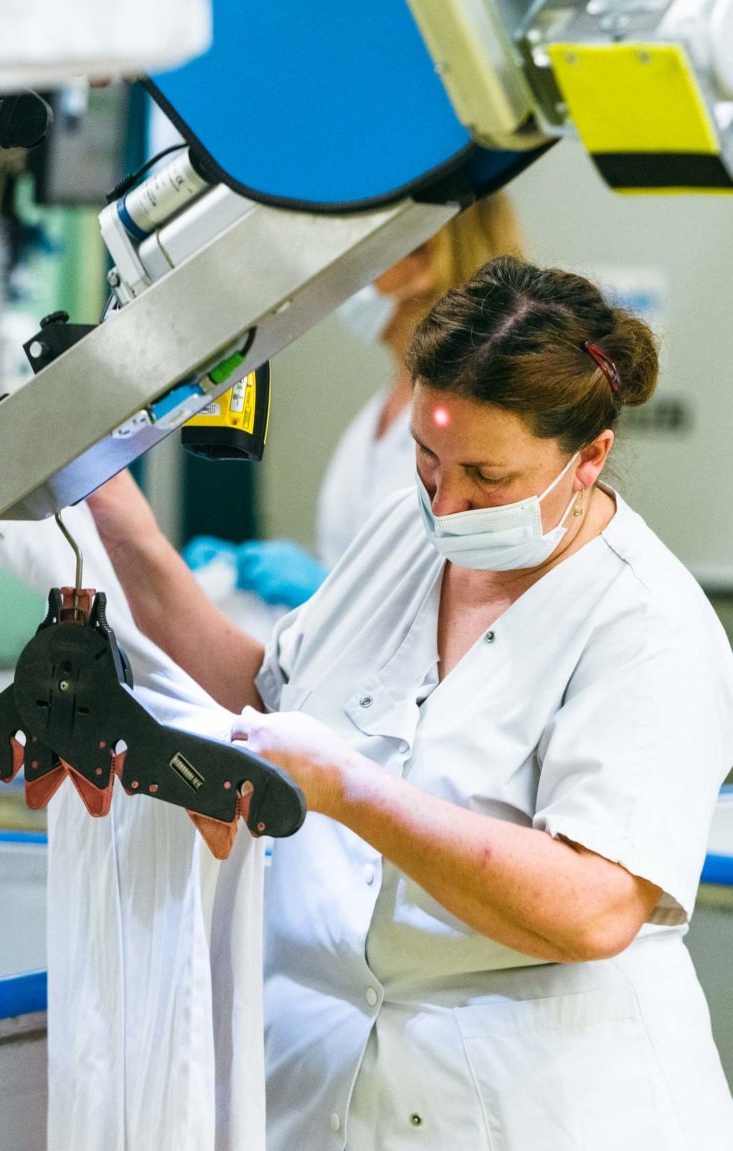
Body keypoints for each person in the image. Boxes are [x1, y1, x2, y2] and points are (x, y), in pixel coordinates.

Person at [87, 254, 733, 1150]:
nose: (451, 503)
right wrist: (118, 524)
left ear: (589, 457)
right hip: (343, 1094)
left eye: (489, 479)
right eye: (430, 462)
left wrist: (348, 789)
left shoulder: (650, 623)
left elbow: (595, 905)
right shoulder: (410, 533)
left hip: (547, 1112)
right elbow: (266, 696)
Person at [225, 192, 523, 606]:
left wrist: (326, 592)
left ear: (422, 256)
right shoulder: (389, 405)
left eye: (362, 248)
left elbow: (462, 605)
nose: (345, 271)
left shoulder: (473, 421)